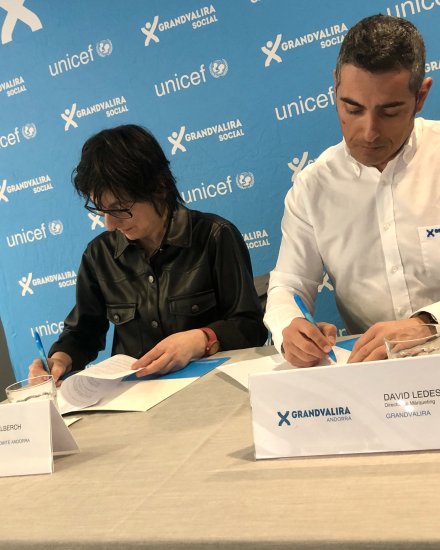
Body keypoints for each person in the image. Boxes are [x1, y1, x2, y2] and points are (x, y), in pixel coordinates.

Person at [264, 14, 440, 367]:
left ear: (420, 96)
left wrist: (428, 323)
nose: (369, 131)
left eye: (390, 111)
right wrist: (291, 327)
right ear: (335, 87)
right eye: (352, 108)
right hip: (374, 377)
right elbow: (289, 285)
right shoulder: (313, 187)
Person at [29, 124, 267, 383]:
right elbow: (82, 333)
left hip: (211, 386)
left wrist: (202, 339)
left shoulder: (215, 236)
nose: (110, 224)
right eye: (102, 211)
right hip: (134, 394)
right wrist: (60, 359)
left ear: (159, 188)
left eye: (119, 208)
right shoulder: (100, 254)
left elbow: (251, 327)